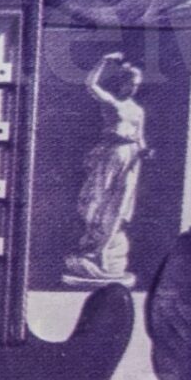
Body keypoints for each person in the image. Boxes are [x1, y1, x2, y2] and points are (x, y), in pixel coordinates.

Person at [64, 51, 147, 287]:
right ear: (122, 82)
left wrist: (144, 151)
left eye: (137, 84)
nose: (134, 87)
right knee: (96, 202)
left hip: (131, 158)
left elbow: (140, 137)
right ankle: (91, 247)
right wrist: (103, 60)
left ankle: (102, 251)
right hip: (109, 154)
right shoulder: (111, 102)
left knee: (119, 206)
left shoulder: (137, 110)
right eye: (131, 83)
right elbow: (90, 84)